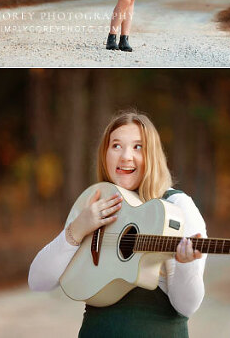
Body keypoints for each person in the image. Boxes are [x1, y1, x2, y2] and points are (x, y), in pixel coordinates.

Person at [28, 111, 206, 338]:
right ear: (105, 154)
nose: (125, 157)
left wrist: (186, 265)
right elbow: (38, 281)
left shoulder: (178, 207)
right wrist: (77, 230)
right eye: (116, 146)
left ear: (152, 155)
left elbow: (187, 307)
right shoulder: (97, 203)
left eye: (138, 147)